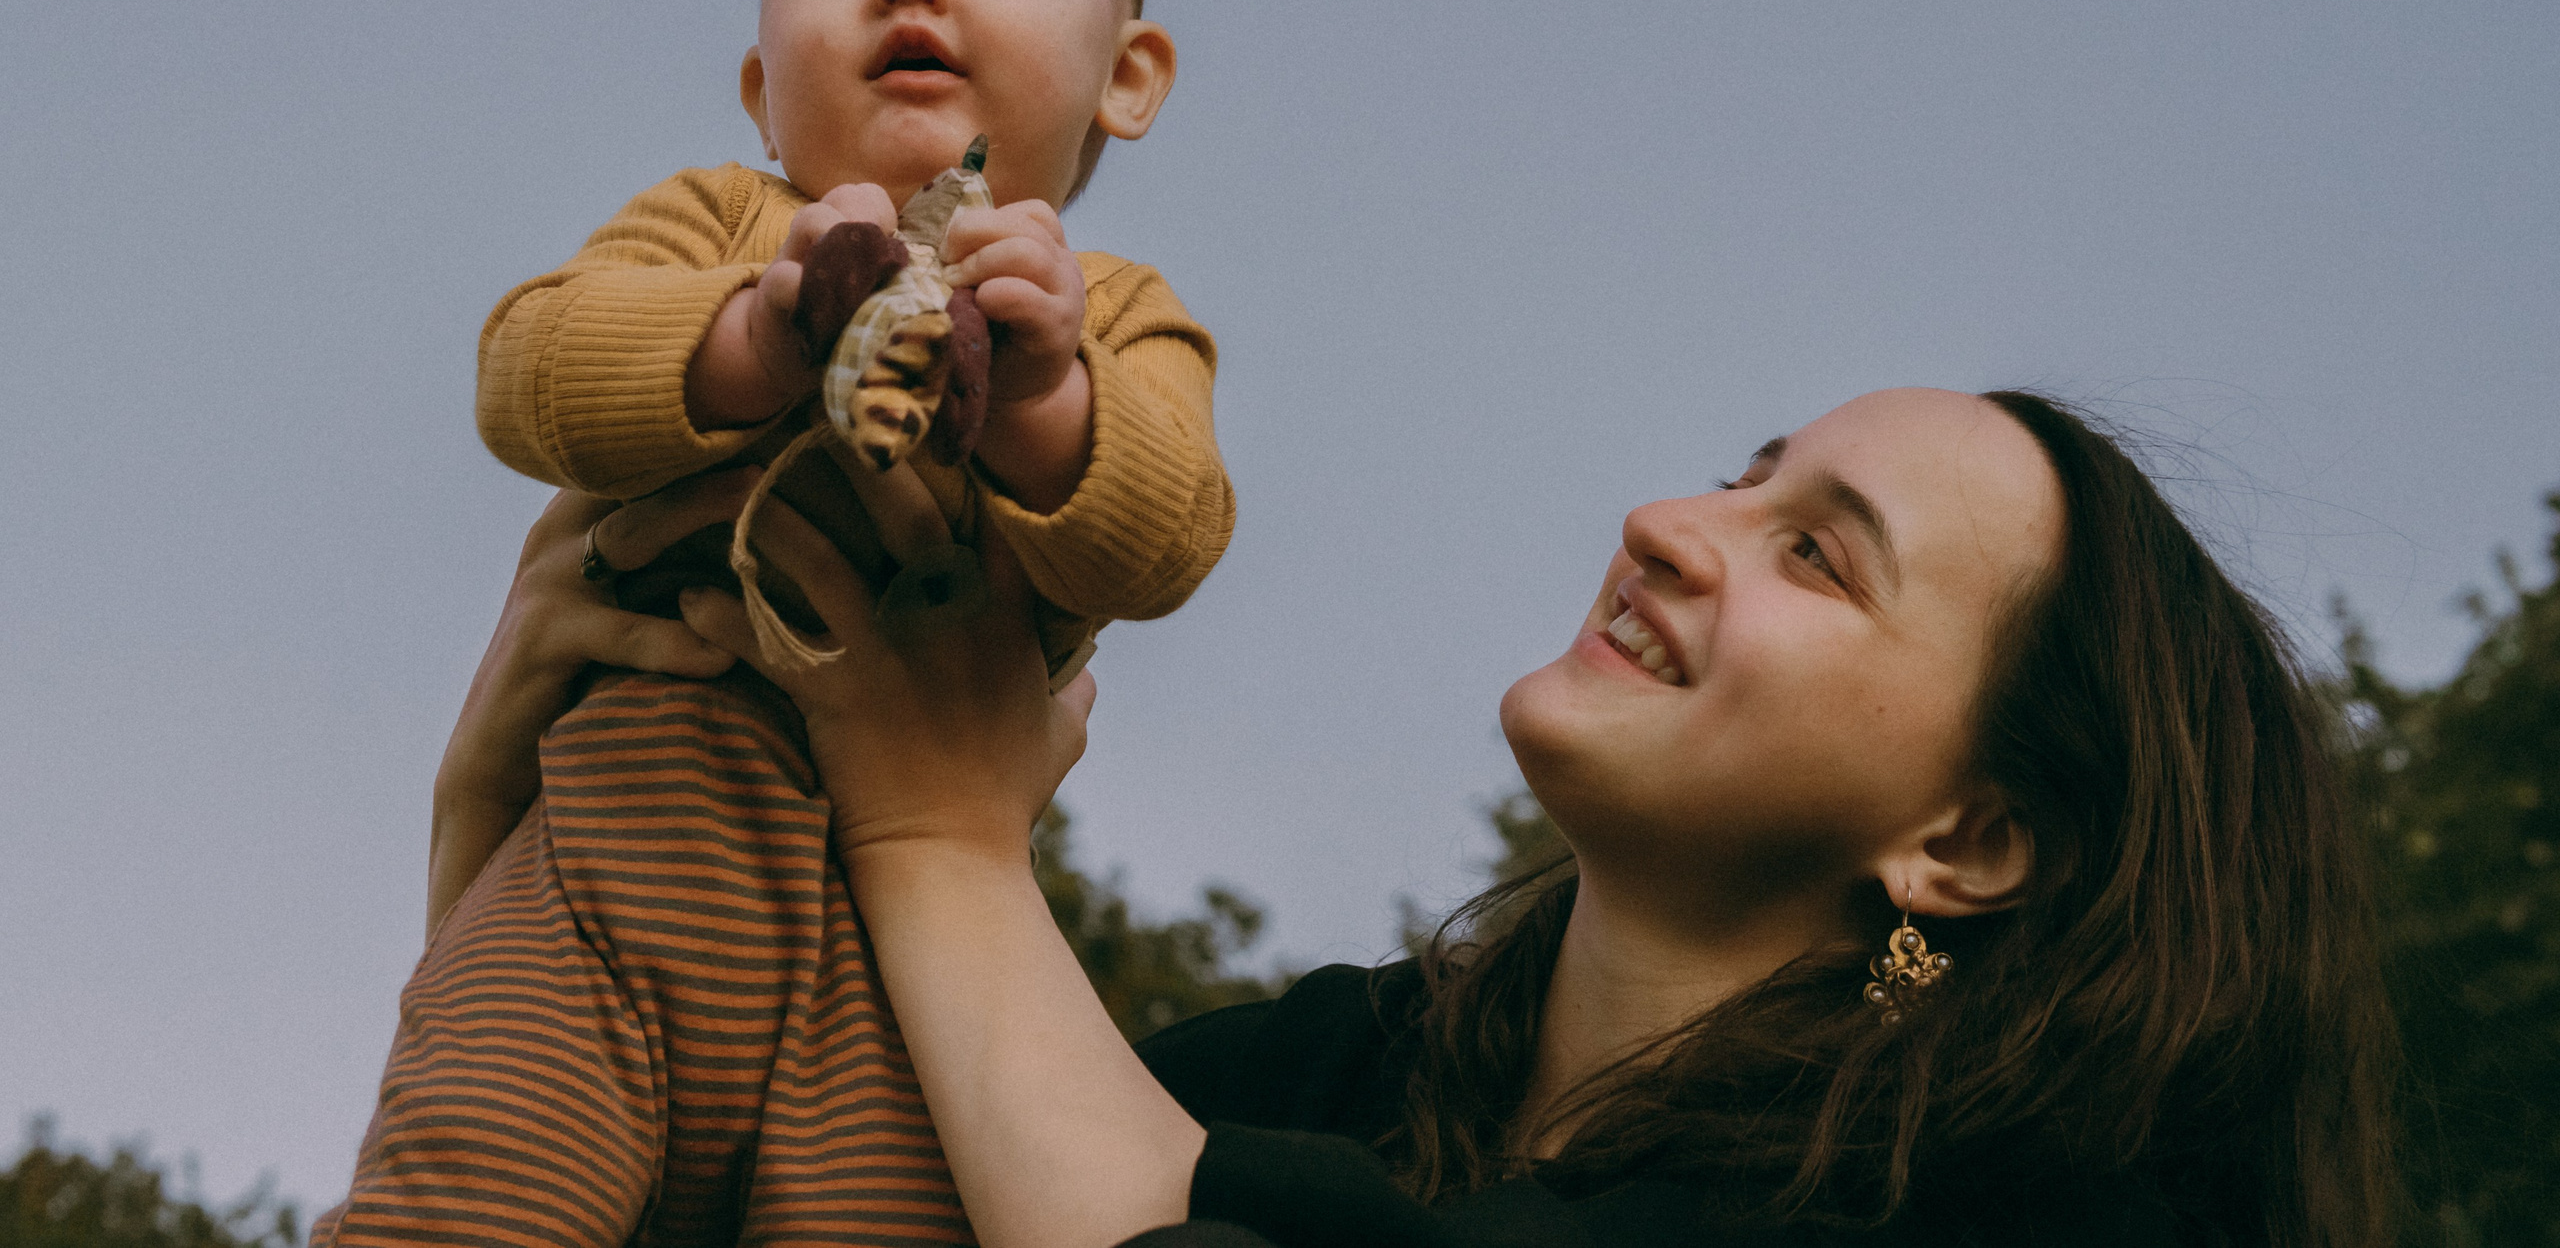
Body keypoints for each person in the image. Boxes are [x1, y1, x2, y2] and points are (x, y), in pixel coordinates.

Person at [427, 388, 2401, 1248]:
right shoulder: (1324, 1071)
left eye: (1813, 550)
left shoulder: (2014, 1224)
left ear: (1964, 839)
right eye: (1743, 468)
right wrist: (512, 828)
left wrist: (942, 837)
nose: (1667, 520)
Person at [315, 0, 1234, 1248]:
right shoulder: (717, 226)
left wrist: (1049, 394)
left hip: (890, 974)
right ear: (761, 87)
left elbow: (1168, 535)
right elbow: (531, 368)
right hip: (599, 883)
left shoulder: (1114, 315)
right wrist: (760, 329)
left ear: (1127, 76)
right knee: (467, 1204)